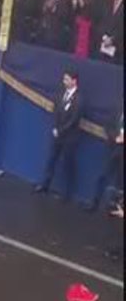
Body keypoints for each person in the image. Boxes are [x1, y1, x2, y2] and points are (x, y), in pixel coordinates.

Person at [34, 69, 83, 199]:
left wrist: (60, 130)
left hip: (69, 137)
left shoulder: (79, 99)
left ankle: (66, 193)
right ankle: (45, 184)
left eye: (67, 79)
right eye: (64, 79)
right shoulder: (61, 93)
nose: (64, 82)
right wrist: (55, 127)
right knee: (51, 160)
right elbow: (56, 110)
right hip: (57, 134)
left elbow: (74, 119)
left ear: (74, 81)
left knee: (67, 164)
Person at [88, 107, 124, 214]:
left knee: (120, 181)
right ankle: (94, 202)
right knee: (103, 175)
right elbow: (108, 126)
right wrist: (115, 137)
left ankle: (114, 207)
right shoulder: (116, 110)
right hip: (113, 148)